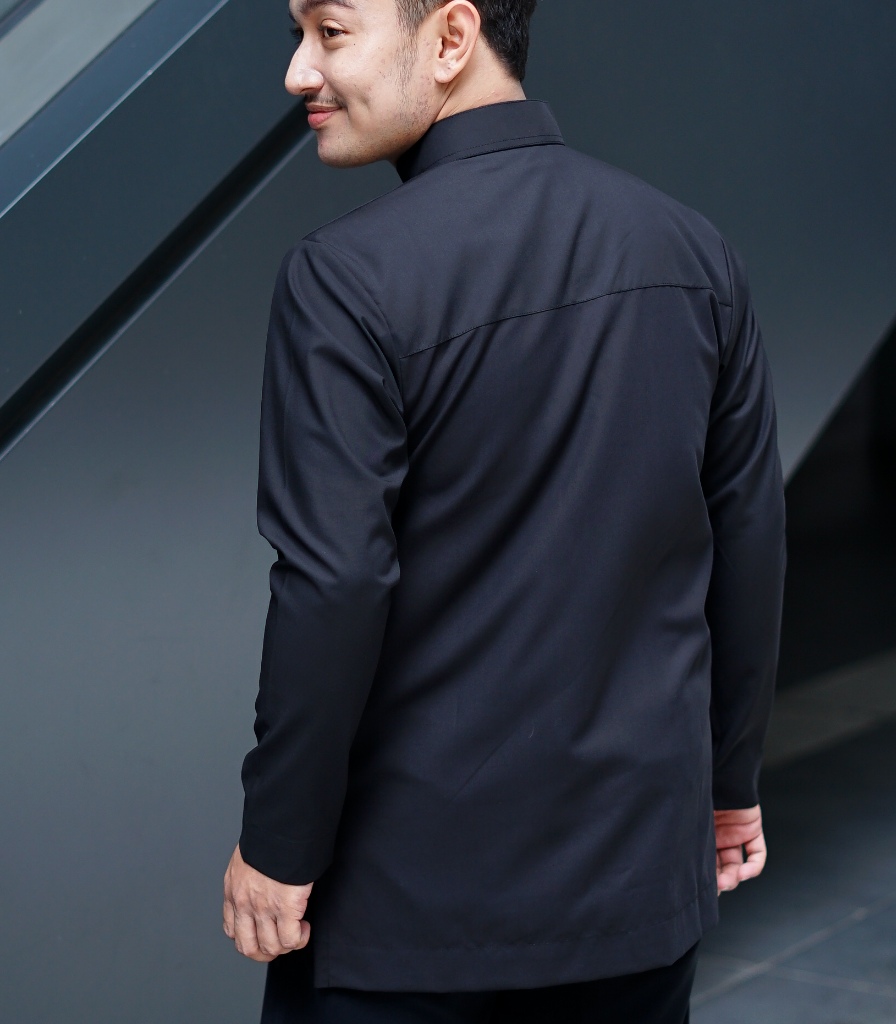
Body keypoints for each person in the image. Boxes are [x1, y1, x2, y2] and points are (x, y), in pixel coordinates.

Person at [222, 0, 786, 1020]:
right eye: (295, 35)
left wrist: (279, 842)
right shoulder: (695, 252)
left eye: (331, 32)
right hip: (636, 901)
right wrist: (729, 781)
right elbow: (746, 540)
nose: (299, 73)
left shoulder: (344, 279)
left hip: (404, 921)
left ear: (451, 36)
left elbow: (335, 582)